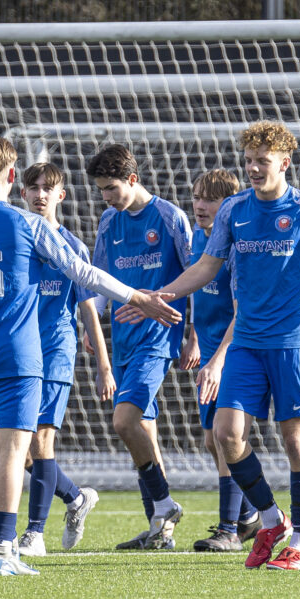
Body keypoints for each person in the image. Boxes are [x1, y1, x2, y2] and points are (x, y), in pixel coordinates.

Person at [0, 135, 180, 576]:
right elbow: (81, 272)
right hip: (20, 357)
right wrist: (137, 296)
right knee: (16, 452)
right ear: (13, 178)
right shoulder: (30, 227)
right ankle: (3, 551)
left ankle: (4, 544)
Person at [118, 121, 300, 570]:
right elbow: (206, 266)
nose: (254, 169)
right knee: (226, 435)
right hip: (245, 346)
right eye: (249, 161)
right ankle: (271, 520)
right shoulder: (234, 209)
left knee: (297, 442)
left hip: (292, 346)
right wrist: (160, 297)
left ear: (284, 163)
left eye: (263, 161)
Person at [88, 143, 193, 550]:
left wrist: (193, 337)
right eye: (101, 191)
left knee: (124, 421)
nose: (106, 197)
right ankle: (160, 529)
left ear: (133, 179)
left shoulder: (168, 217)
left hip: (157, 340)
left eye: (111, 188)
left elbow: (198, 275)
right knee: (143, 430)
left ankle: (165, 503)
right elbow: (98, 277)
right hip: (123, 340)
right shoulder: (108, 222)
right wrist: (92, 319)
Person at [16, 162, 110, 557]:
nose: (40, 194)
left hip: (56, 349)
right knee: (17, 449)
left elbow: (88, 307)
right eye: (33, 187)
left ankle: (34, 534)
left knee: (41, 439)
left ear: (61, 195)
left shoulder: (73, 246)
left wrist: (104, 365)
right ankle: (75, 498)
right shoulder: (15, 240)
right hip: (17, 351)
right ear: (21, 193)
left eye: (47, 188)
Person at [183, 169, 260, 552]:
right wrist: (194, 338)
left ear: (227, 205)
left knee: (226, 435)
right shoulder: (200, 238)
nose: (200, 205)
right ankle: (251, 514)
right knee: (215, 442)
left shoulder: (236, 244)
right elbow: (201, 295)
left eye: (209, 199)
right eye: (197, 197)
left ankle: (230, 529)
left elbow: (239, 309)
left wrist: (217, 360)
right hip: (208, 349)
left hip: (234, 350)